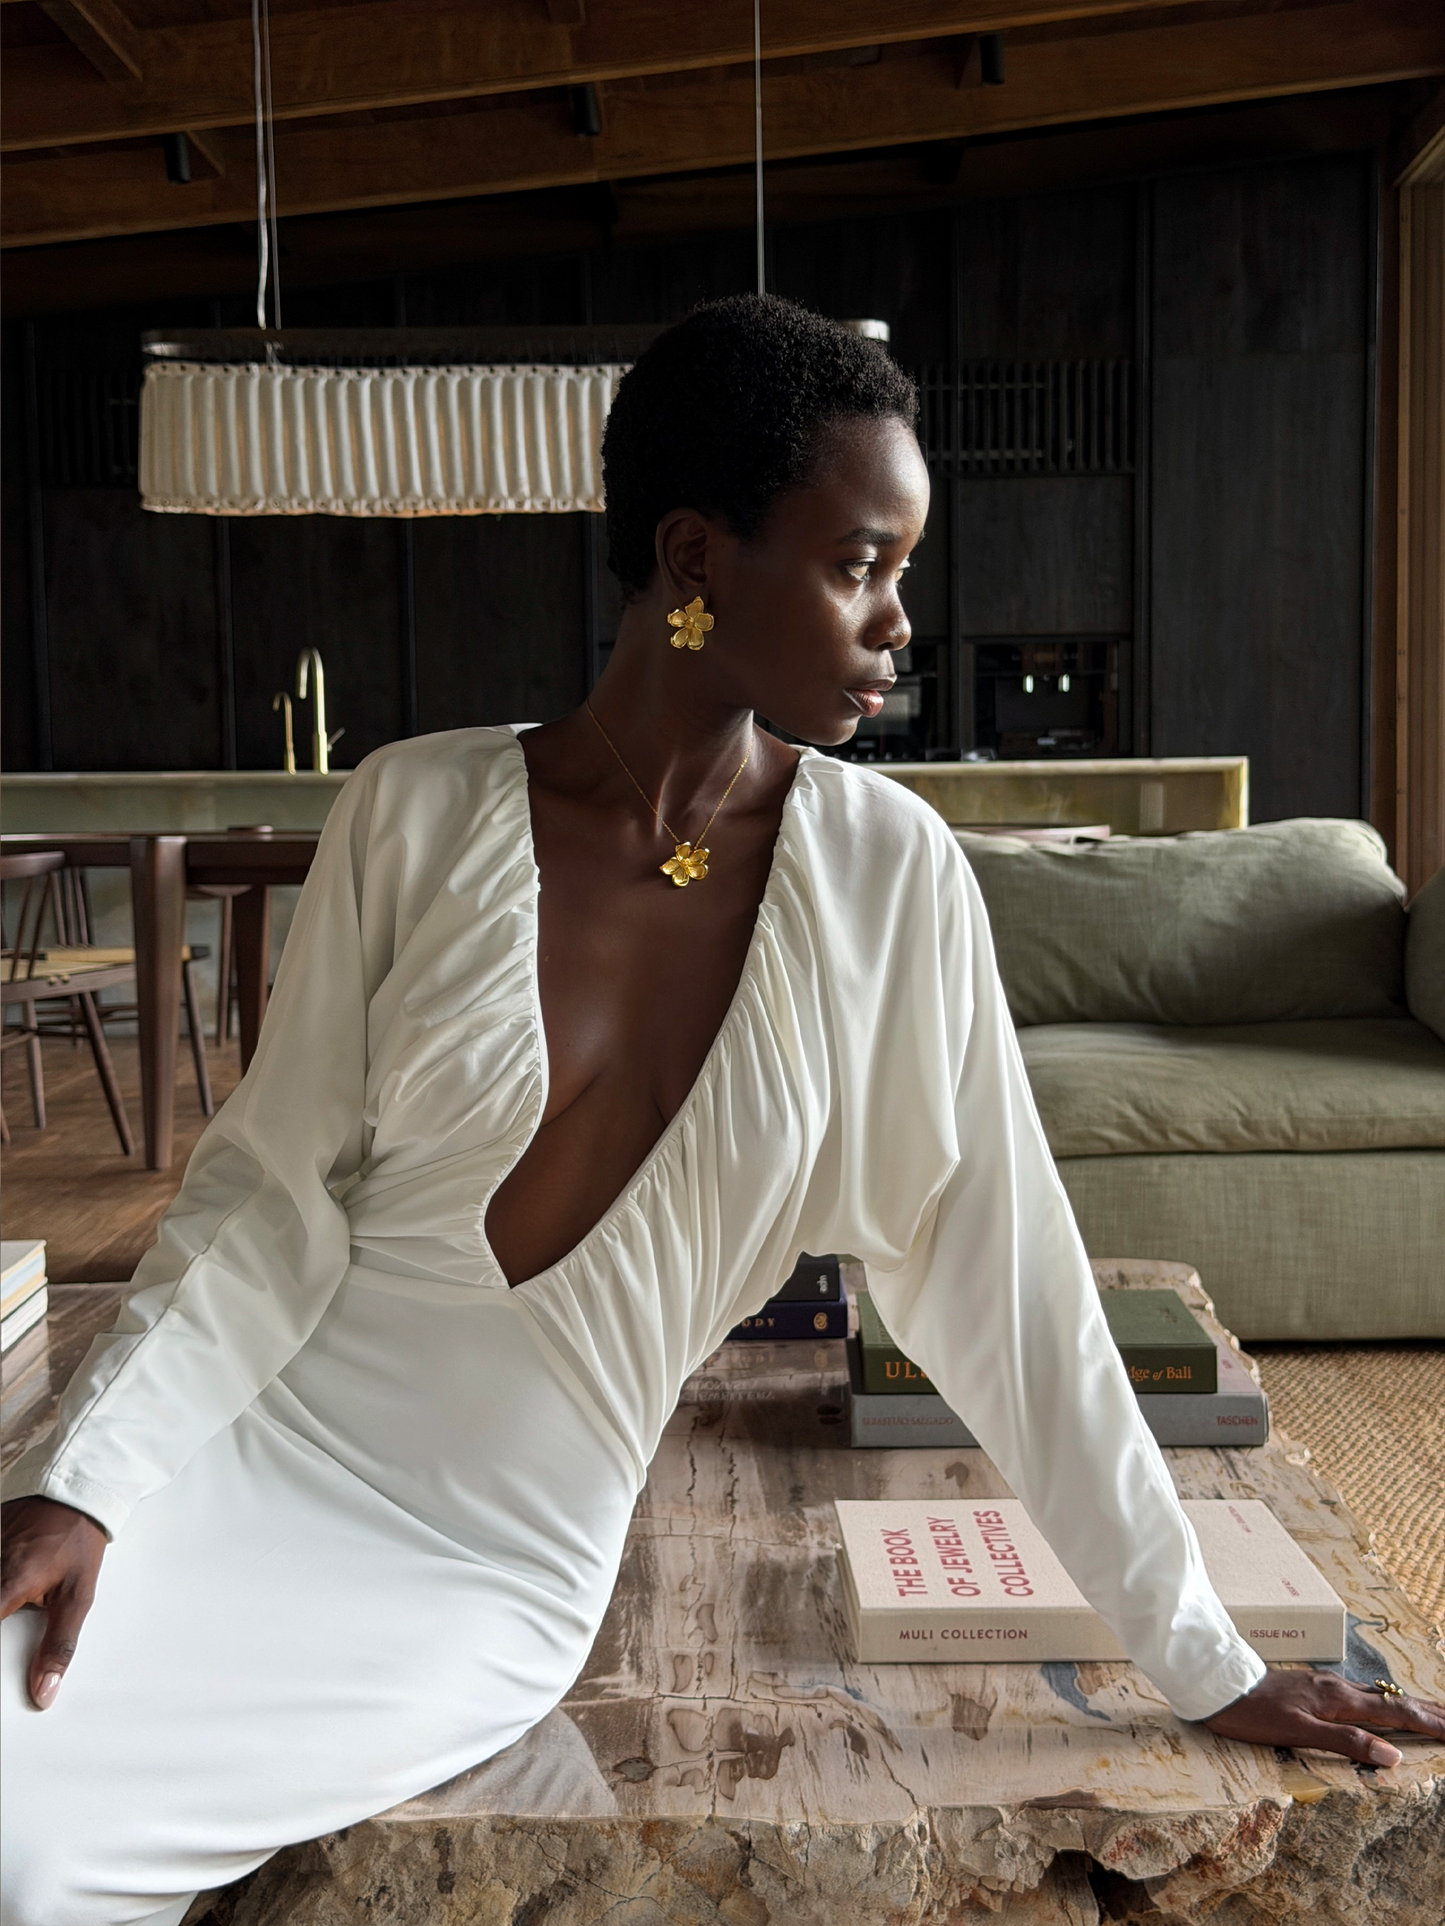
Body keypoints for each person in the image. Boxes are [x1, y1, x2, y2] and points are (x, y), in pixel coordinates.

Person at [3, 296, 1440, 1926]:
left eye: (901, 569)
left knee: (46, 1861)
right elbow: (263, 1203)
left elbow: (1013, 1292)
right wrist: (91, 1470)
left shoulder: (892, 880)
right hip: (247, 1454)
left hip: (482, 1568)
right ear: (694, 556)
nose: (899, 621)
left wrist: (1206, 1656)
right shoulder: (414, 807)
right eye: (859, 564)